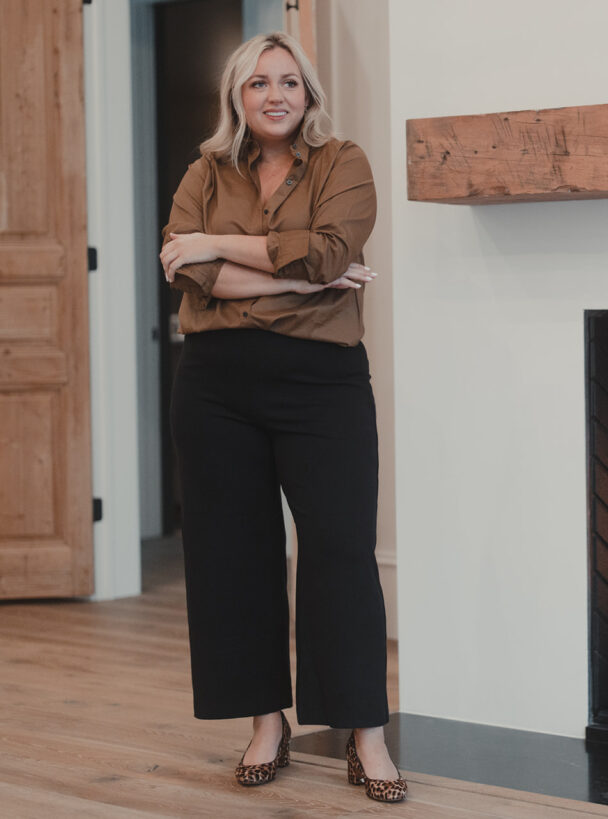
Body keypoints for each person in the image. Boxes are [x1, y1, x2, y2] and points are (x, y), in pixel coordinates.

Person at [160, 31, 405, 803]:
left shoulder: (345, 162)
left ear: (309, 96)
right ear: (238, 96)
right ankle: (267, 723)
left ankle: (367, 734)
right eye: (259, 82)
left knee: (340, 553)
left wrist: (219, 247)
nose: (275, 95)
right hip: (215, 384)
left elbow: (332, 253)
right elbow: (184, 266)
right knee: (234, 556)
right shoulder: (207, 171)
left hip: (322, 383)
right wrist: (296, 284)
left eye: (289, 83)